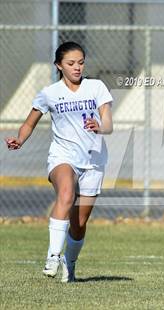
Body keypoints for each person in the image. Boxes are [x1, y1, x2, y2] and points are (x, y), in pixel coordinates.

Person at [5, 41, 113, 282]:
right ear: (59, 65)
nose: (77, 67)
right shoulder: (49, 93)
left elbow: (109, 123)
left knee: (79, 224)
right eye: (71, 63)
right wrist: (20, 140)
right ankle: (53, 256)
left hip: (93, 162)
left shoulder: (96, 87)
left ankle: (69, 265)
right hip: (63, 156)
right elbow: (29, 123)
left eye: (81, 62)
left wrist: (100, 126)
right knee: (65, 193)